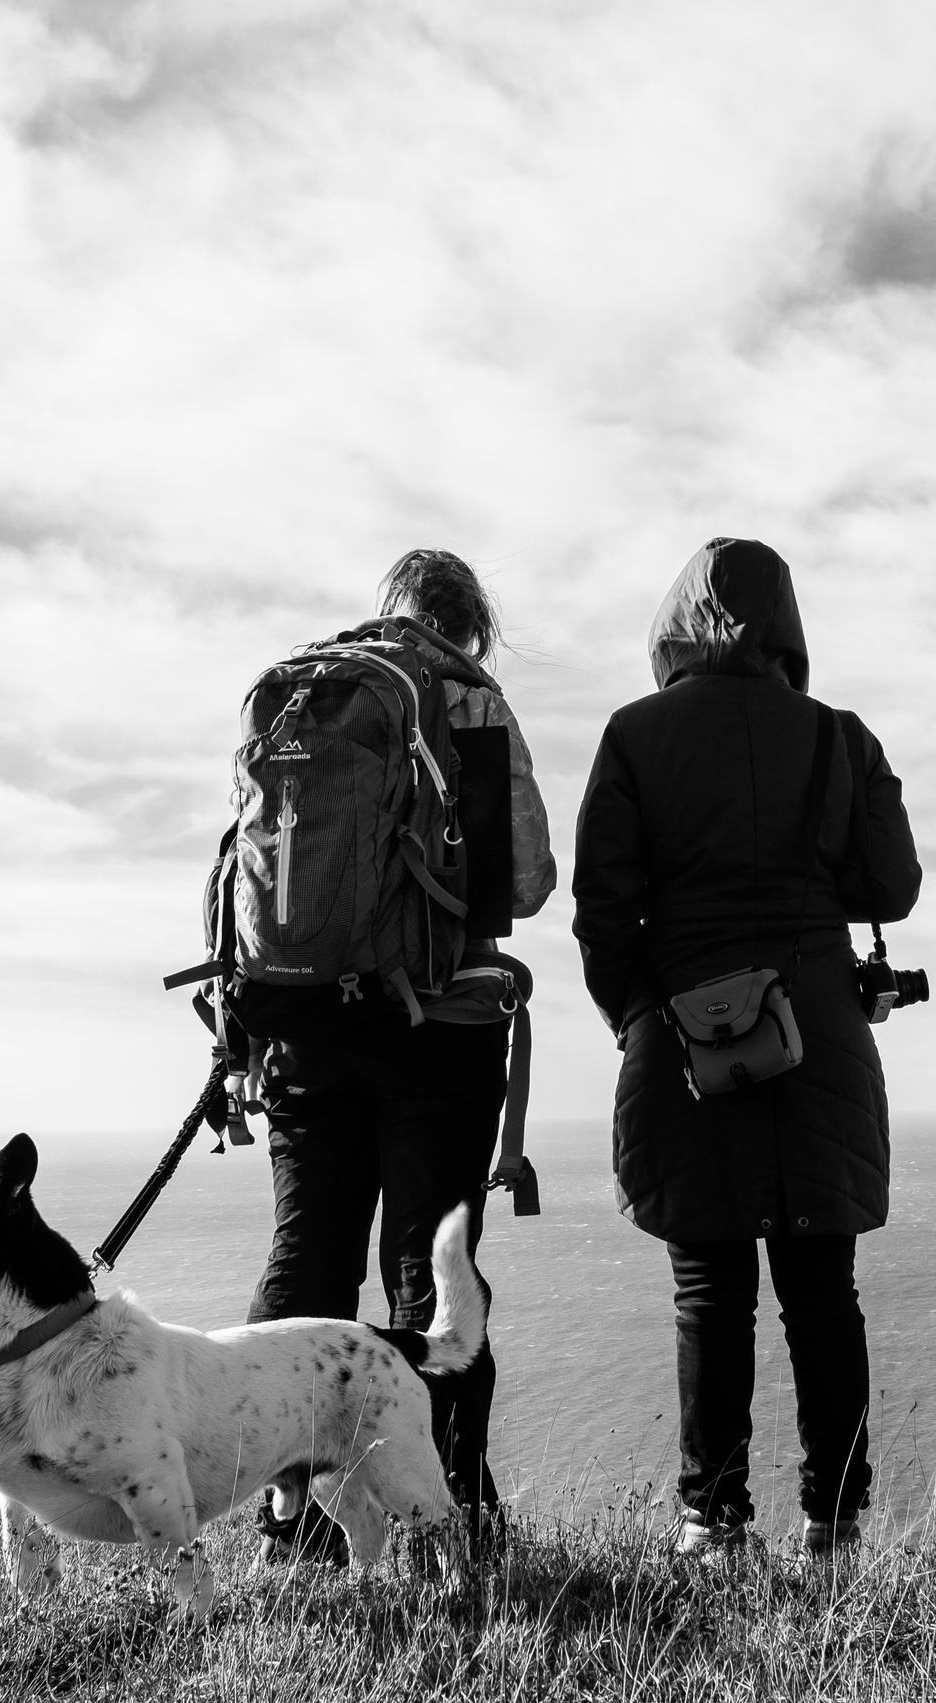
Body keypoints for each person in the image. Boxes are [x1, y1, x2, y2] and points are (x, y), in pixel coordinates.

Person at [570, 537, 921, 1556]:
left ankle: (711, 1523)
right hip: (817, 1029)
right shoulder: (839, 737)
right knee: (822, 1292)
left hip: (684, 1033)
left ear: (676, 625)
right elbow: (889, 889)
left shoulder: (635, 734)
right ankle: (835, 1523)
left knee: (708, 1289)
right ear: (786, 625)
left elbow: (603, 913)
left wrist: (641, 1019)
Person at [244, 548, 555, 1559]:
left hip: (299, 1027)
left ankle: (287, 1522)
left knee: (303, 1268)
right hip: (433, 1026)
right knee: (432, 1280)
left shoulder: (298, 693)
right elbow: (528, 881)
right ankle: (452, 1518)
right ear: (470, 627)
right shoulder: (466, 698)